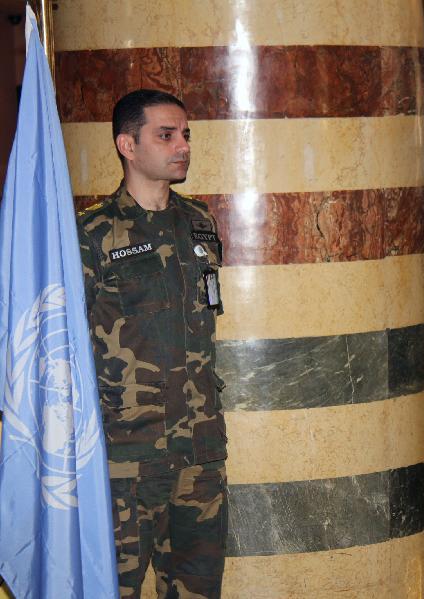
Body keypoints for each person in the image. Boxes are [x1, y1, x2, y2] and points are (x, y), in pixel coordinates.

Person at [78, 89, 227, 599]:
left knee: (197, 590)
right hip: (126, 458)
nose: (182, 145)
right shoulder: (92, 235)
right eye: (166, 135)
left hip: (201, 453)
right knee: (108, 588)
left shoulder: (198, 222)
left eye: (185, 134)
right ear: (127, 144)